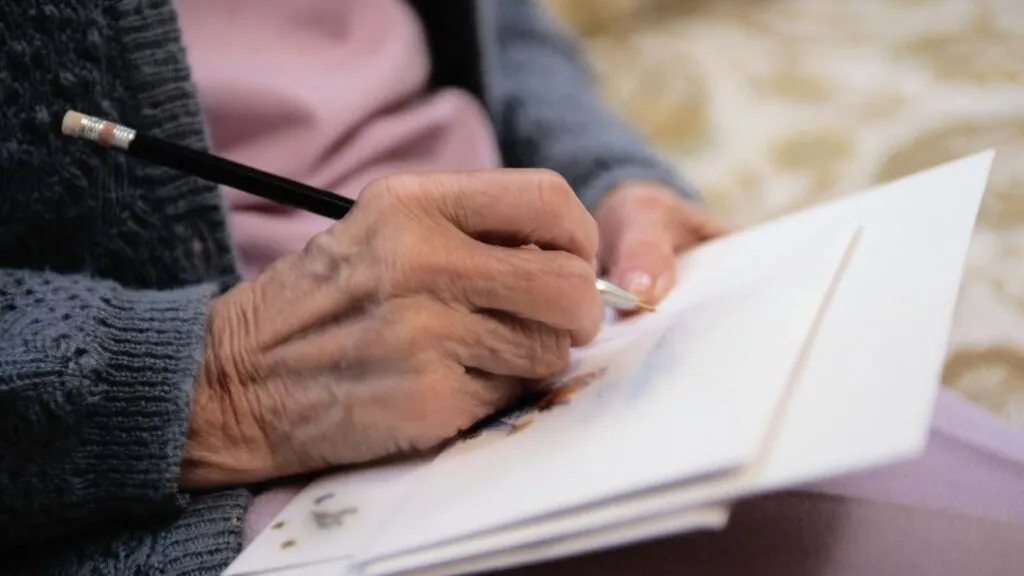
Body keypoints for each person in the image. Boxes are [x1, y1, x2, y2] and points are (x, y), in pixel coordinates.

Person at [1, 2, 1022, 576]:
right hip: (187, 493)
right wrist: (212, 380)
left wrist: (612, 176)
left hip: (550, 322)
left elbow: (503, 31)